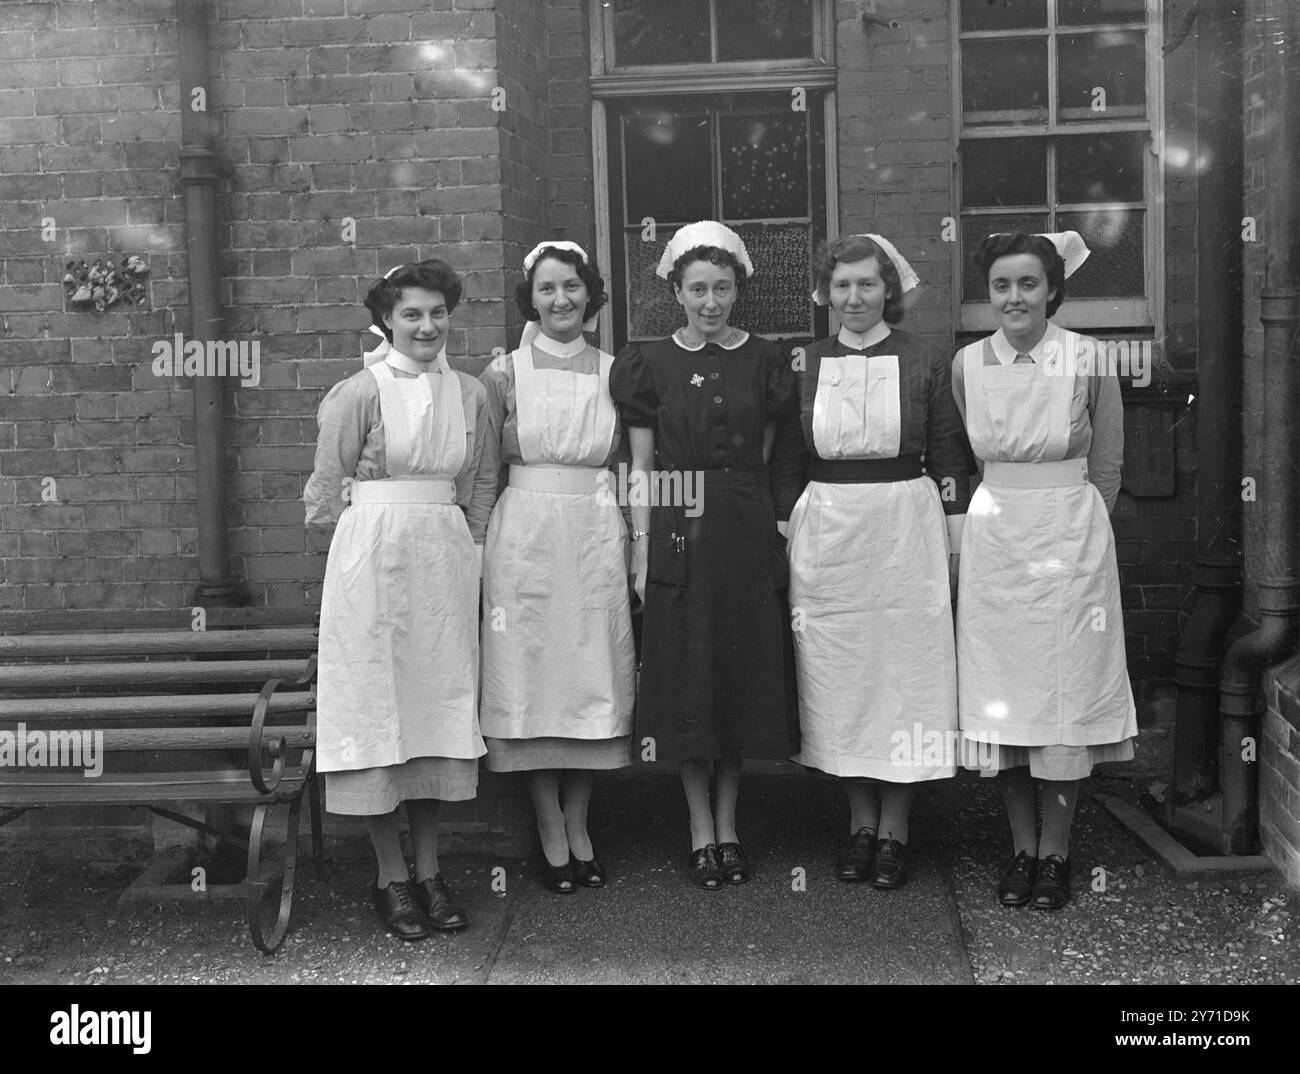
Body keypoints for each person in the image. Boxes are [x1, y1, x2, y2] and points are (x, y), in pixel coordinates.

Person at [771, 233, 973, 890]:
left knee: (906, 673)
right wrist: (789, 527)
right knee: (842, 678)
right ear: (824, 294)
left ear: (889, 287)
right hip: (828, 532)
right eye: (841, 285)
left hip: (904, 529)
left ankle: (897, 828)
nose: (854, 297)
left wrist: (952, 541)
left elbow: (948, 456)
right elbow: (787, 463)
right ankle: (860, 822)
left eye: (866, 284)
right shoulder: (804, 362)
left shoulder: (925, 360)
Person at [303, 260, 498, 940]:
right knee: (381, 710)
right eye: (411, 313)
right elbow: (327, 491)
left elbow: (480, 484)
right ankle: (390, 876)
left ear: (451, 316)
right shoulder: (358, 392)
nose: (426, 325)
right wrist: (367, 549)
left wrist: (468, 553)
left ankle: (431, 871)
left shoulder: (471, 394)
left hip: (444, 564)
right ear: (387, 318)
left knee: (434, 710)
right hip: (374, 564)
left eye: (438, 312)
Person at [610, 220, 798, 889]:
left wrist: (774, 534)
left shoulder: (768, 361)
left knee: (738, 676)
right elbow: (638, 466)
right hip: (675, 525)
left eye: (722, 288)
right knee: (688, 676)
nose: (711, 302)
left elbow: (772, 460)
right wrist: (639, 546)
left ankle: (731, 825)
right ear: (677, 292)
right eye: (698, 289)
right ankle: (698, 828)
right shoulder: (648, 362)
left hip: (744, 528)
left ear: (737, 289)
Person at [952, 231, 1136, 911]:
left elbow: (1110, 462)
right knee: (1008, 694)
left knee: (1062, 696)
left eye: (1028, 283)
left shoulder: (1089, 357)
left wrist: (1082, 530)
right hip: (998, 541)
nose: (1014, 297)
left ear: (1052, 290)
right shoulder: (967, 365)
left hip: (1071, 539)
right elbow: (976, 462)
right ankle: (1020, 846)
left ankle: (1056, 852)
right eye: (1002, 285)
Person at [478, 241, 635, 895]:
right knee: (534, 678)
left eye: (571, 286)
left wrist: (636, 538)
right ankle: (548, 824)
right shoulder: (503, 374)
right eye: (546, 289)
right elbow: (485, 468)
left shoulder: (615, 370)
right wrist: (477, 548)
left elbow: (627, 465)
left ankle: (580, 820)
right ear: (531, 298)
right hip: (526, 537)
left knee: (589, 673)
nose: (560, 300)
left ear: (589, 293)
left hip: (594, 533)